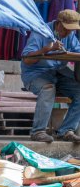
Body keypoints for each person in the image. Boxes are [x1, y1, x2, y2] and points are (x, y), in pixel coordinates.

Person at [21, 9, 80, 143]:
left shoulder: (69, 35)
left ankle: (66, 131)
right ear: (58, 24)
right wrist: (47, 49)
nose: (68, 33)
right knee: (48, 88)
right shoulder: (40, 32)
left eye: (71, 30)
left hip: (57, 73)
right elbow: (27, 59)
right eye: (66, 29)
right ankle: (38, 132)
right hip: (36, 74)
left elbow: (77, 50)